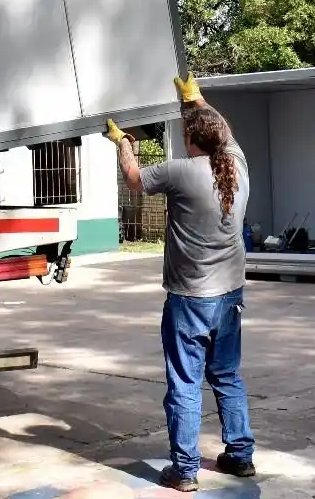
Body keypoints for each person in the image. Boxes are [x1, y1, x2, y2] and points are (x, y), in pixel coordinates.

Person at [104, 73, 255, 492]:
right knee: (226, 375)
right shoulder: (236, 165)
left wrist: (123, 144)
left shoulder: (181, 172)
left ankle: (185, 470)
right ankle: (240, 456)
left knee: (185, 383)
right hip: (230, 297)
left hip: (189, 300)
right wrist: (195, 99)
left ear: (191, 141)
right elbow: (223, 131)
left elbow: (134, 178)